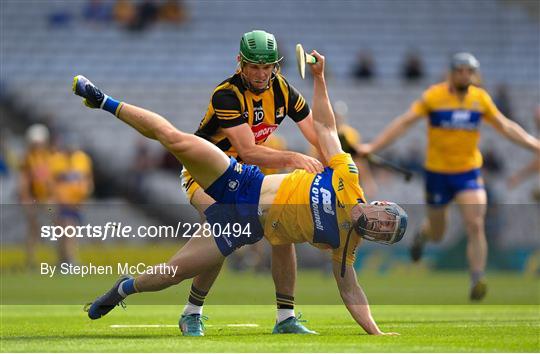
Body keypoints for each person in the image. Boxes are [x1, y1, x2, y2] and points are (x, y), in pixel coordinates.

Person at [72, 50, 407, 335]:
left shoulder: (348, 242)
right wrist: (319, 78)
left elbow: (350, 288)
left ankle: (122, 288)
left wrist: (376, 333)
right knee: (174, 139)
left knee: (171, 274)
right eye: (383, 220)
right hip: (241, 182)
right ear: (380, 205)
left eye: (382, 233)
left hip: (243, 226)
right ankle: (103, 100)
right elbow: (325, 127)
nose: (377, 226)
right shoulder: (347, 177)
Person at [357, 53, 540, 301]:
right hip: (438, 174)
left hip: (468, 173)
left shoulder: (480, 99)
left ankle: (477, 278)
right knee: (438, 232)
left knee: (475, 223)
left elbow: (506, 126)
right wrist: (373, 147)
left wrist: (533, 144)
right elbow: (404, 122)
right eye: (460, 71)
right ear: (451, 73)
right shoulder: (434, 96)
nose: (465, 75)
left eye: (469, 71)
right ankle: (424, 235)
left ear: (474, 74)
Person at [178, 30, 324, 335]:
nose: (260, 74)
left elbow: (316, 132)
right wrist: (295, 159)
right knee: (223, 228)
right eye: (253, 66)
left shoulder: (282, 90)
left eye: (266, 66)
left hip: (246, 177)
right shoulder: (226, 94)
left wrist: (337, 158)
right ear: (240, 63)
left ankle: (286, 318)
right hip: (206, 174)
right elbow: (248, 150)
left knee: (283, 230)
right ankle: (192, 312)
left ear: (276, 66)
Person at [49, 134, 94, 264]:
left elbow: (88, 179)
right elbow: (50, 182)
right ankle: (69, 260)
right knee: (66, 231)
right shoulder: (56, 159)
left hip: (77, 202)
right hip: (61, 202)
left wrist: (86, 193)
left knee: (69, 232)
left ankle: (66, 261)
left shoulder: (83, 159)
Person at [19, 124, 54, 269]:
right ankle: (31, 260)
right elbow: (24, 181)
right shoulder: (28, 159)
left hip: (48, 199)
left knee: (56, 230)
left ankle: (58, 259)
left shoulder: (50, 156)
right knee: (33, 230)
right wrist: (25, 198)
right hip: (34, 199)